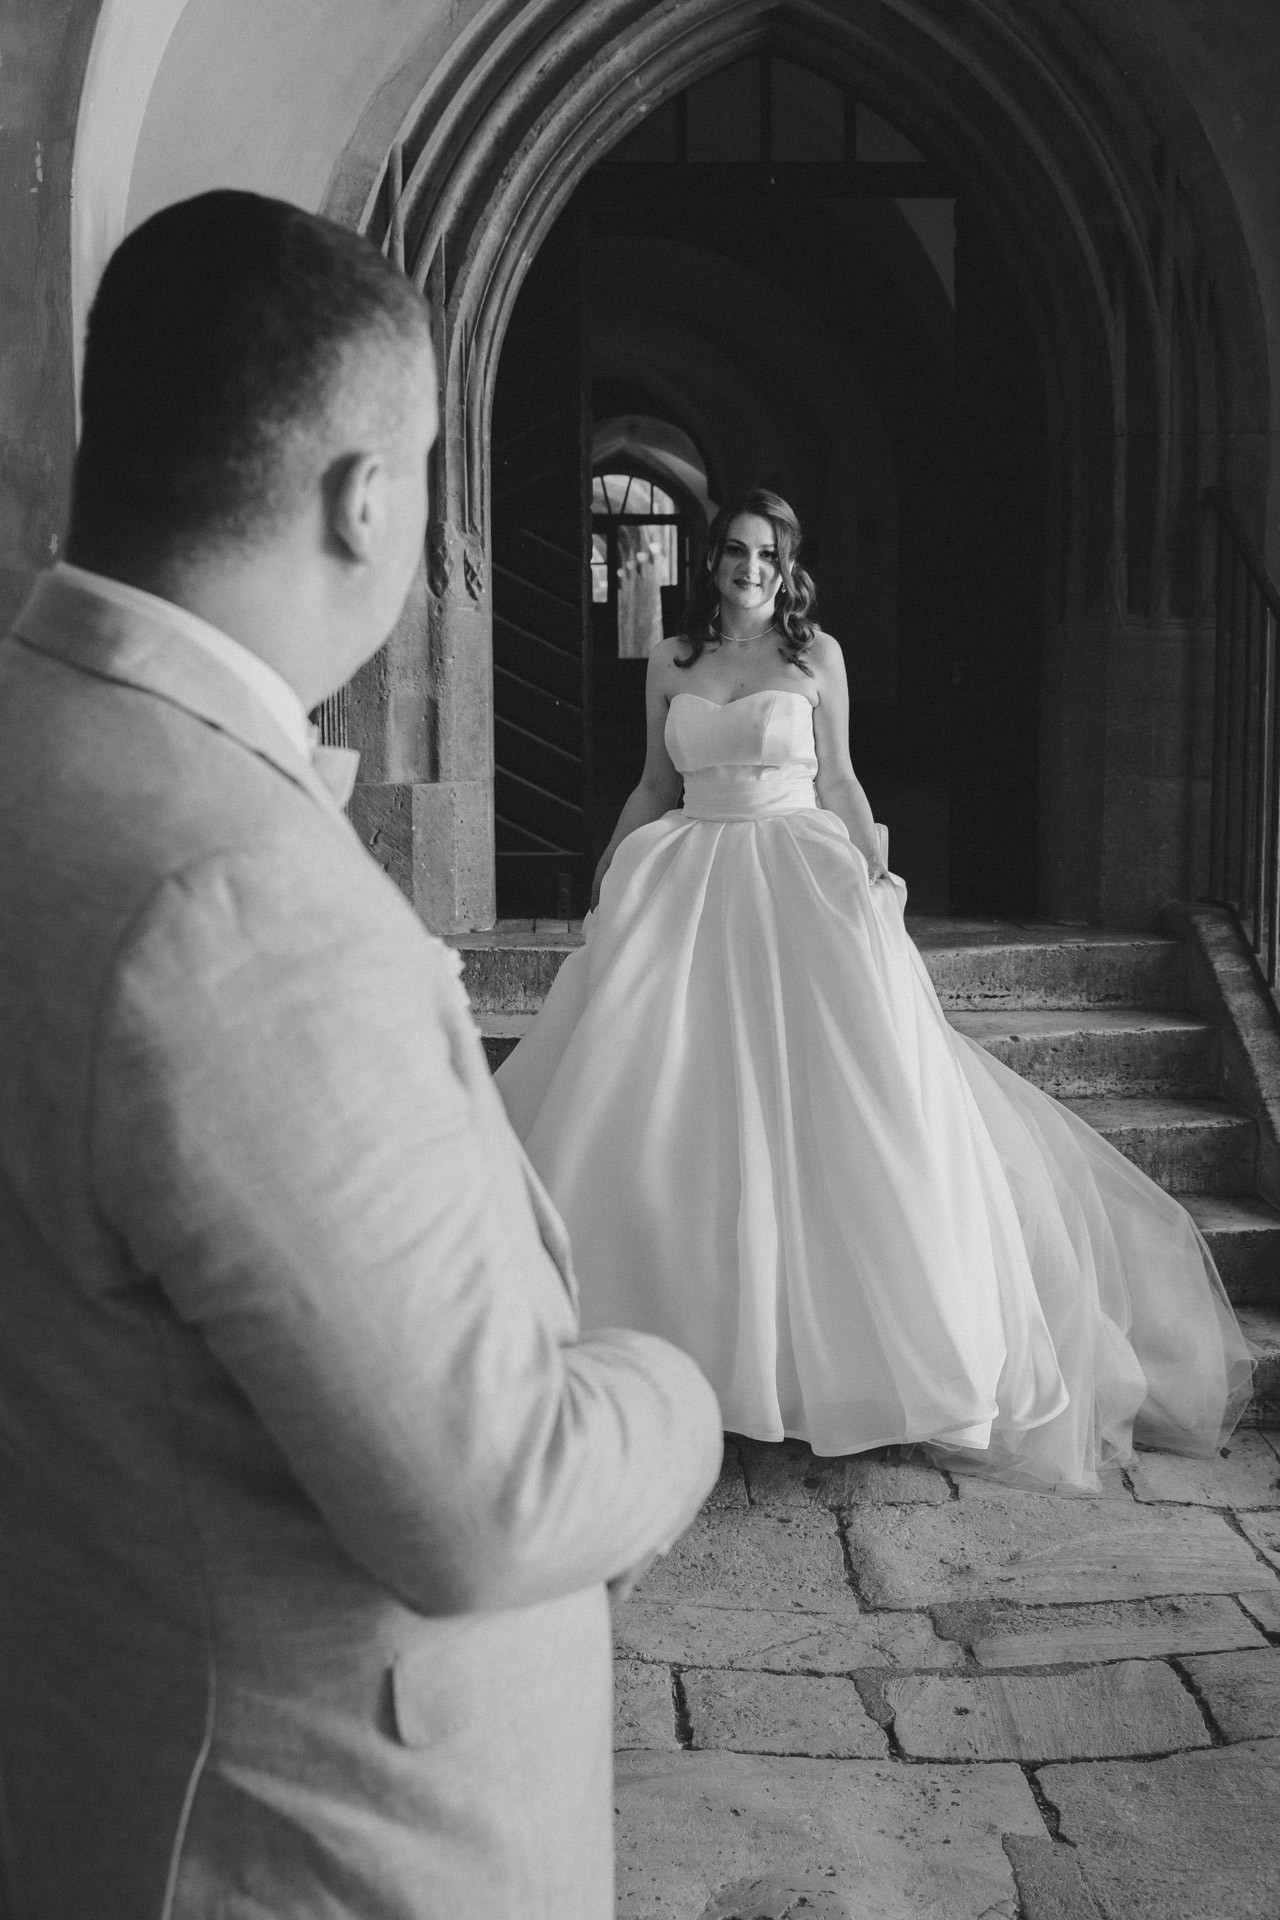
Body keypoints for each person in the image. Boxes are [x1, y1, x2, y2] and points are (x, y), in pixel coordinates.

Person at [0, 191, 723, 1920]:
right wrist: (682, 1394)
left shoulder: (40, 741)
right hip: (307, 1838)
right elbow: (491, 1494)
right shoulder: (233, 897)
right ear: (365, 496)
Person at [496, 488, 1254, 1492]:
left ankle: (854, 1371)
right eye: (733, 550)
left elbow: (842, 779)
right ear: (710, 557)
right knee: (669, 1112)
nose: (748, 568)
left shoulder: (817, 659)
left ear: (789, 566)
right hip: (685, 881)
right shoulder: (670, 660)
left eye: (767, 554)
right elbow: (651, 782)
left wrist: (873, 867)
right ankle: (692, 1359)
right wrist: (607, 870)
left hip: (799, 880)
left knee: (850, 1113)